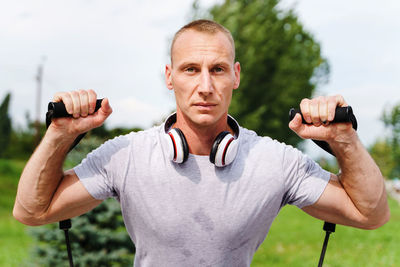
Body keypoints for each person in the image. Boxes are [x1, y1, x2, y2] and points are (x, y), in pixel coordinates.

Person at [13, 19, 389, 266]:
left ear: (235, 76)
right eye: (191, 69)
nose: (205, 86)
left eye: (218, 70)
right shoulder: (124, 156)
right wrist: (59, 135)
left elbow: (371, 215)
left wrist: (345, 139)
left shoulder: (276, 162)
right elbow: (31, 211)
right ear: (170, 77)